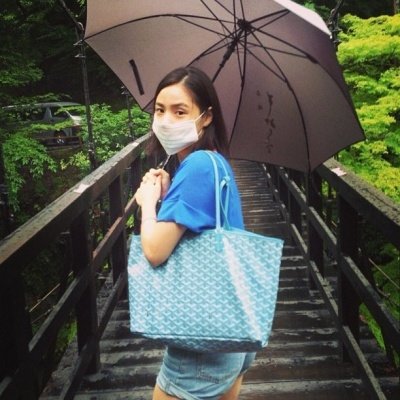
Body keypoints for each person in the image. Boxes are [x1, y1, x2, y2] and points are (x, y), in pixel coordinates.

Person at [134, 66, 256, 400]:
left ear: (206, 117)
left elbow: (155, 251)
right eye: (160, 110)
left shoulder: (198, 167)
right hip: (232, 328)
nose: (166, 120)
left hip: (202, 339)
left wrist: (148, 202)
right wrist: (170, 191)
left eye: (180, 112)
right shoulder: (214, 161)